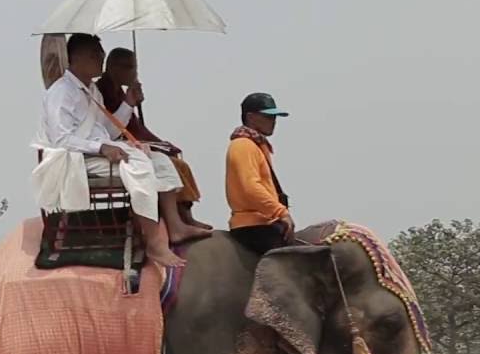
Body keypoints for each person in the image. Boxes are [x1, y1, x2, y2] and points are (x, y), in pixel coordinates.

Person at [36, 34, 203, 268]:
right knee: (140, 166)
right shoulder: (61, 92)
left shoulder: (90, 90)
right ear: (75, 57)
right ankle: (155, 243)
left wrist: (128, 104)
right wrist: (102, 147)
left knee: (158, 160)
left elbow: (106, 131)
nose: (102, 58)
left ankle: (175, 226)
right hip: (73, 159)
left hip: (94, 153)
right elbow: (62, 139)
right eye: (96, 54)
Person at [97, 47, 211, 231]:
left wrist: (133, 100)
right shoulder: (102, 90)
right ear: (112, 67)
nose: (133, 72)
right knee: (174, 163)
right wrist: (129, 102)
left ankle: (186, 213)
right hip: (120, 145)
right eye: (128, 67)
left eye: (134, 67)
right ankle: (181, 218)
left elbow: (135, 125)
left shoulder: (118, 90)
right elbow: (113, 128)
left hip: (132, 140)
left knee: (174, 156)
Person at [225, 92, 293, 255]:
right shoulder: (243, 145)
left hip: (264, 221)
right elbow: (251, 187)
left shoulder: (256, 145)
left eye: (274, 117)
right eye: (268, 116)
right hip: (253, 226)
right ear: (251, 117)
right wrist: (280, 212)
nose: (273, 121)